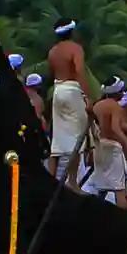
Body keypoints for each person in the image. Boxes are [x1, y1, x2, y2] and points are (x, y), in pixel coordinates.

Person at [46, 19, 91, 178]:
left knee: (57, 138)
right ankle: (72, 180)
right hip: (72, 90)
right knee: (78, 135)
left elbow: (51, 72)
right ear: (72, 32)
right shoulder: (75, 48)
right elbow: (79, 71)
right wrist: (87, 96)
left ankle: (51, 176)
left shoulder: (53, 51)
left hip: (58, 90)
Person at [87, 78, 127, 212]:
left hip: (99, 146)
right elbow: (115, 128)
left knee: (102, 185)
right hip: (112, 147)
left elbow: (91, 125)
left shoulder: (97, 106)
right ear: (117, 92)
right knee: (120, 187)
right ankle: (123, 217)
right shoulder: (114, 106)